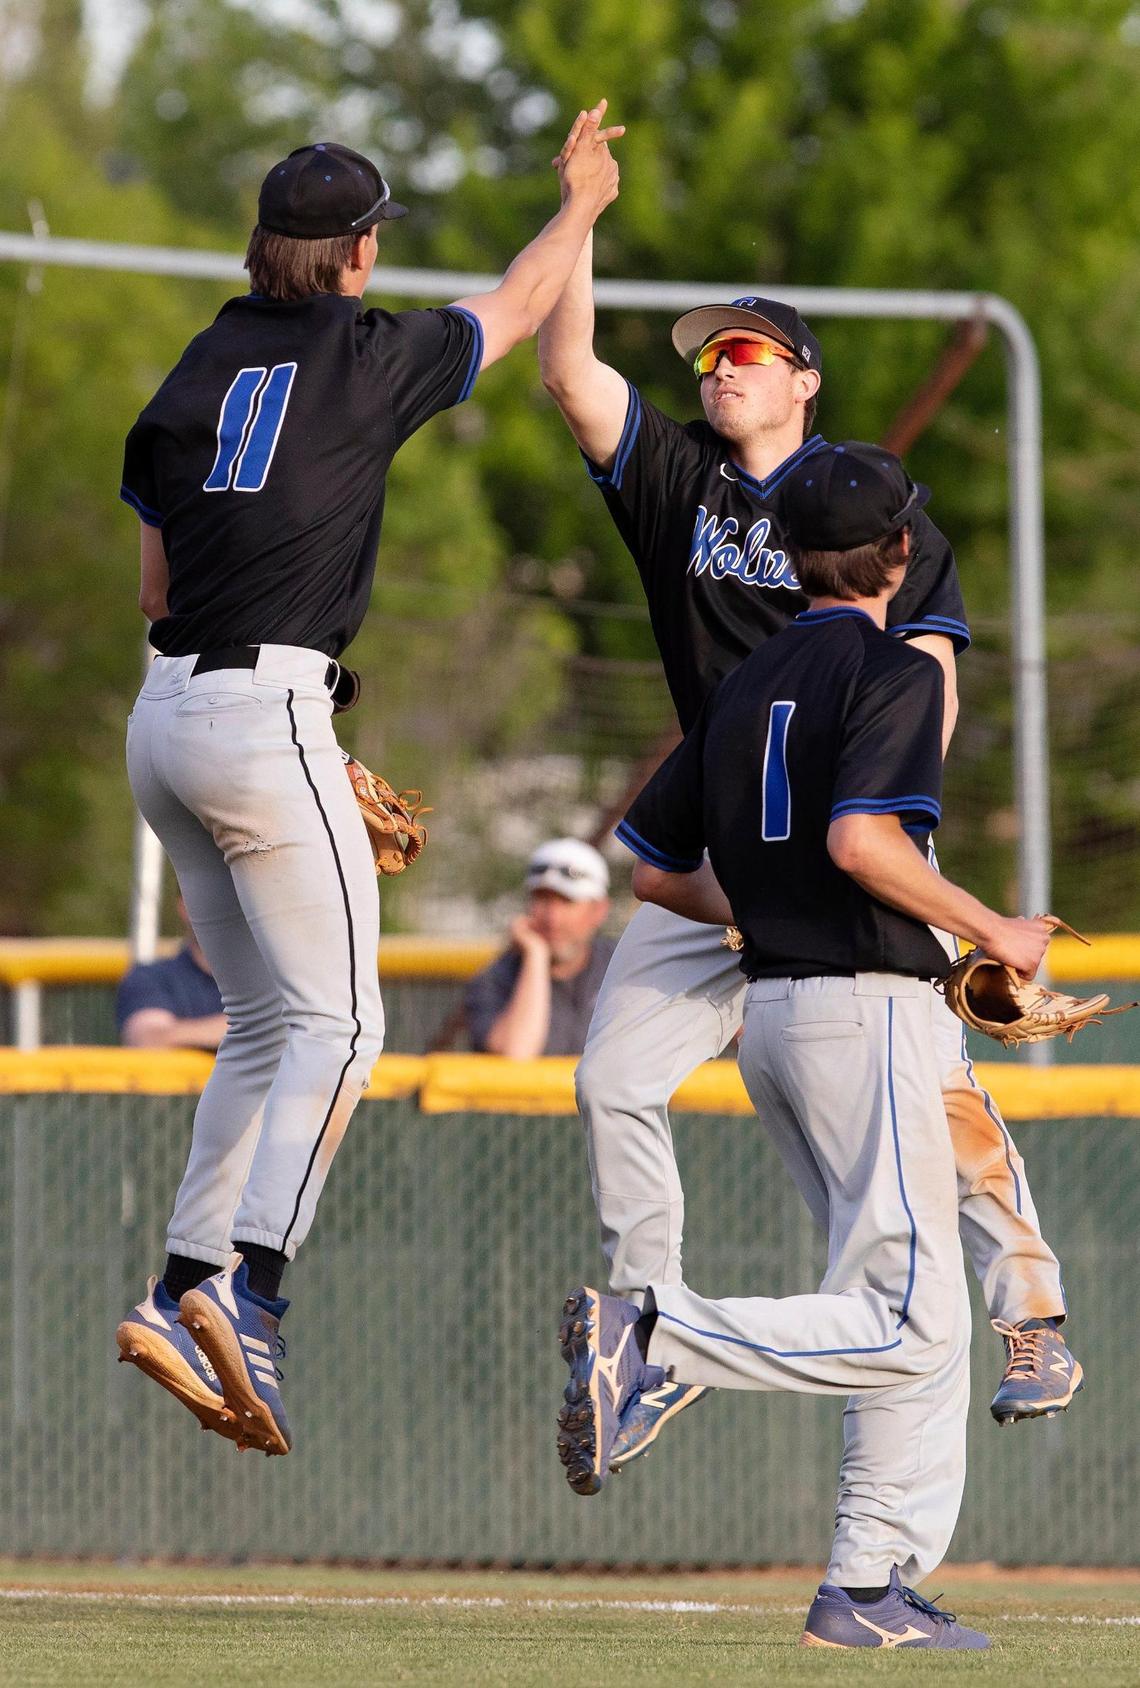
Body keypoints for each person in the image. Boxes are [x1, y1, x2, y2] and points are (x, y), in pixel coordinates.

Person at [114, 104, 625, 1456]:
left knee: (267, 1028)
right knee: (346, 1035)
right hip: (266, 711)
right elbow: (519, 307)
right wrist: (580, 204)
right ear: (352, 260)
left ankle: (175, 1292)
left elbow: (159, 588)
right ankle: (256, 1303)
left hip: (164, 721)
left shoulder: (195, 366)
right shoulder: (365, 353)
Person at [537, 208, 1077, 1460]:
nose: (720, 367)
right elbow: (568, 372)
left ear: (803, 379)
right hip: (727, 854)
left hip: (849, 836)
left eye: (745, 352)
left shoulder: (877, 508)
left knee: (936, 1096)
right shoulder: (682, 485)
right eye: (711, 355)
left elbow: (928, 685)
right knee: (610, 1077)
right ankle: (652, 1335)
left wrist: (886, 845)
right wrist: (581, 217)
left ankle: (1033, 1310)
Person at [557, 444, 1055, 1649]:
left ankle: (868, 1581)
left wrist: (760, 907)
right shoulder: (885, 670)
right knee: (913, 1325)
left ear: (785, 556)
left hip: (777, 1014)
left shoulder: (745, 677)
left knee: (908, 1305)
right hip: (861, 1011)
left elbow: (655, 867)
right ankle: (659, 1338)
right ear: (897, 554)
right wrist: (996, 926)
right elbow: (862, 844)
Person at [465, 839, 614, 1058]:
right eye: (542, 900)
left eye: (567, 901)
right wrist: (535, 957)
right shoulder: (496, 979)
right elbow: (514, 1058)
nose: (552, 919)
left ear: (599, 910)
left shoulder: (624, 968)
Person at [117, 898, 226, 1050]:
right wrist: (246, 1028)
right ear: (184, 905)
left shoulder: (268, 976)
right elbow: (147, 1038)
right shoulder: (153, 977)